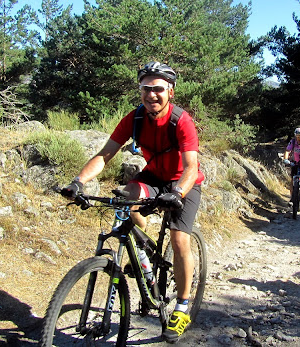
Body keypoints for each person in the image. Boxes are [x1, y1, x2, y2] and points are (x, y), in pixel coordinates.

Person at [61, 61, 204, 343]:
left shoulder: (181, 121)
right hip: (153, 176)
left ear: (170, 91)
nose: (152, 94)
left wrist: (177, 193)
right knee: (124, 198)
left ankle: (182, 306)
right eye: (145, 88)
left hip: (184, 182)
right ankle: (147, 253)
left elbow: (191, 167)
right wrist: (78, 181)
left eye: (158, 89)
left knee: (179, 240)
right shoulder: (134, 119)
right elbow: (105, 155)